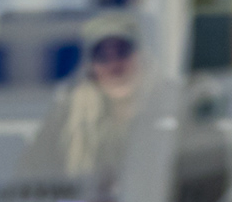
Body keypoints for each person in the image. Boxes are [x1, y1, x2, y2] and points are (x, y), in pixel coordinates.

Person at [20, 12, 157, 182]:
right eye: (103, 57)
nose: (114, 65)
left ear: (141, 57)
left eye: (122, 52)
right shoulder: (67, 115)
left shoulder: (169, 106)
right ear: (90, 67)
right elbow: (30, 179)